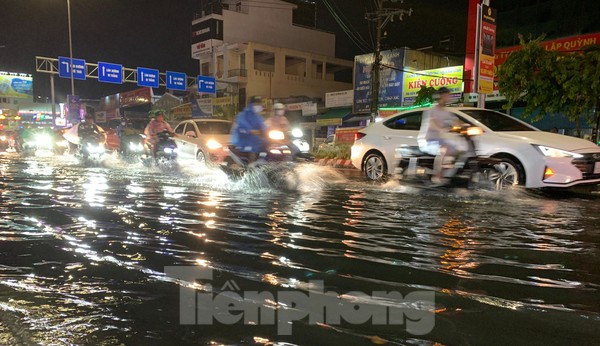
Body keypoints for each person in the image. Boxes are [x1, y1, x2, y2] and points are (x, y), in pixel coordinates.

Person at [417, 87, 463, 185]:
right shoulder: (431, 110)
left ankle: (450, 173)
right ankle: (437, 176)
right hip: (427, 141)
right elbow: (431, 123)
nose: (449, 98)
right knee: (444, 149)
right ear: (440, 96)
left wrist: (464, 126)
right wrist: (440, 129)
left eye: (449, 96)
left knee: (459, 150)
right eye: (447, 95)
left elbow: (455, 121)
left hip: (440, 141)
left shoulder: (446, 112)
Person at [230, 96, 267, 163]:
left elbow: (263, 125)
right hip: (243, 140)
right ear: (251, 104)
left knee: (268, 146)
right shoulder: (243, 114)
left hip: (255, 140)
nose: (258, 106)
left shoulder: (257, 116)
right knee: (252, 149)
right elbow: (243, 123)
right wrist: (250, 130)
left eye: (259, 104)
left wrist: (266, 130)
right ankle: (251, 167)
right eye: (256, 104)